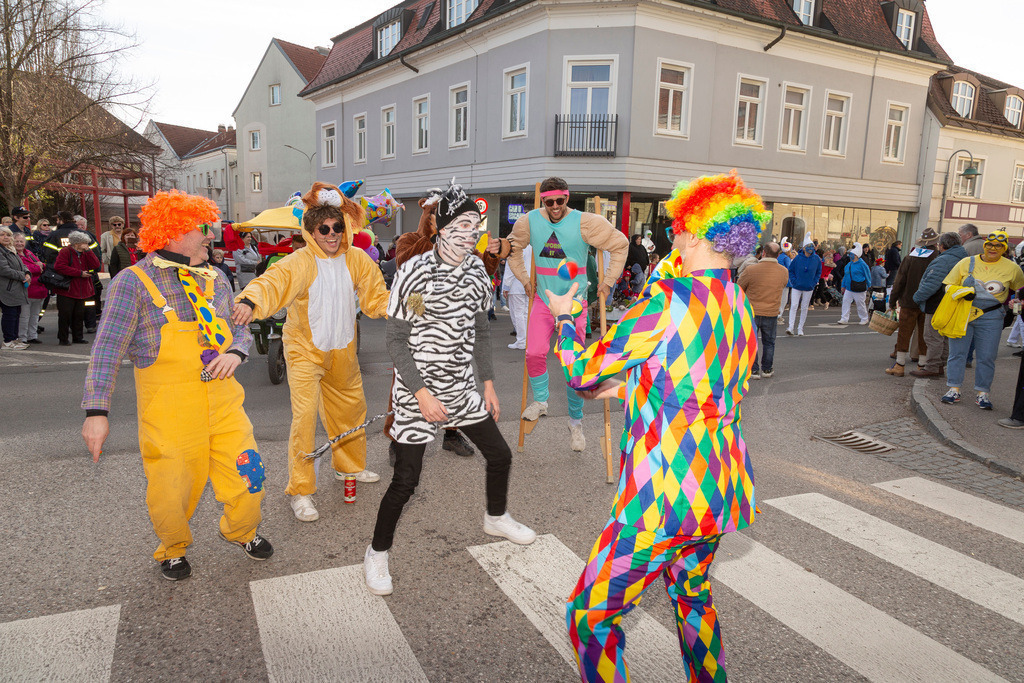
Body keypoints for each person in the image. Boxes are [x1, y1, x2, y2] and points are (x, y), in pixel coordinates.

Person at [549, 172, 764, 682]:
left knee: (590, 615)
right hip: (718, 488)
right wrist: (633, 388)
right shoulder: (740, 304)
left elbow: (582, 371)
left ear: (691, 231)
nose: (673, 234)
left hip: (663, 494)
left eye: (678, 225)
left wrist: (565, 317)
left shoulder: (668, 300)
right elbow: (709, 385)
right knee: (693, 599)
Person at [82, 190, 272, 581]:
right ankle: (172, 547)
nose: (209, 236)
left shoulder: (216, 277)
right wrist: (96, 413)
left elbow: (238, 329)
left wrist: (237, 352)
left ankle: (242, 531)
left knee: (249, 476)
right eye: (200, 229)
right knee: (171, 490)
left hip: (224, 404)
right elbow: (105, 351)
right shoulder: (130, 283)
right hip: (169, 413)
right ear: (172, 232)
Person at [364, 180, 536, 597]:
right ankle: (376, 553)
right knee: (407, 480)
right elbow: (396, 340)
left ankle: (496, 516)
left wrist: (489, 384)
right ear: (440, 229)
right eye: (461, 224)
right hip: (416, 391)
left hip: (461, 387)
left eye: (475, 224)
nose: (470, 232)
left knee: (499, 454)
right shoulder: (413, 271)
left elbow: (480, 331)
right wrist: (421, 393)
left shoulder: (478, 270)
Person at [231, 182, 389, 523]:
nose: (331, 235)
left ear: (344, 227)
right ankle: (300, 490)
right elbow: (271, 283)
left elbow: (376, 299)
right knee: (304, 420)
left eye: (337, 228)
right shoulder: (298, 261)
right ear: (312, 230)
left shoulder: (358, 259)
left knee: (351, 410)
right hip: (304, 351)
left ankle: (349, 467)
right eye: (324, 229)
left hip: (343, 350)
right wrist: (249, 299)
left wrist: (405, 307)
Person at [506, 176, 628, 452]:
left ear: (567, 198)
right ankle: (541, 401)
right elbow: (513, 250)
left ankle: (575, 422)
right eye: (549, 202)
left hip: (574, 306)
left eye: (560, 200)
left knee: (574, 367)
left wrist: (608, 282)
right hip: (543, 301)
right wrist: (525, 280)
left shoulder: (587, 223)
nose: (555, 206)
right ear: (543, 201)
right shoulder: (529, 222)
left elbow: (619, 245)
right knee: (534, 352)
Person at [384, 194, 504, 462]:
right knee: (405, 380)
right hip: (417, 319)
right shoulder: (409, 240)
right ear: (428, 216)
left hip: (453, 327)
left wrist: (492, 255)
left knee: (454, 377)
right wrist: (430, 235)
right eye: (437, 215)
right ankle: (398, 439)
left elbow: (482, 272)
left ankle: (451, 433)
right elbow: (404, 263)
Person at [939, 230, 1024, 410]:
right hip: (963, 312)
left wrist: (1015, 301)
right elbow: (948, 285)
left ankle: (983, 393)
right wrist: (961, 292)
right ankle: (953, 388)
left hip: (992, 316)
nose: (993, 249)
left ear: (1004, 249)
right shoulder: (966, 262)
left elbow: (1019, 289)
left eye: (998, 246)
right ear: (985, 245)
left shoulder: (1012, 268)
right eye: (990, 245)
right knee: (957, 353)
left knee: (987, 356)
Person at [885, 228, 939, 376]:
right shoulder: (938, 257)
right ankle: (922, 365)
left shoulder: (910, 257)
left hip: (908, 301)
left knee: (904, 333)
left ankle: (900, 365)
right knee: (924, 335)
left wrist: (892, 300)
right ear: (936, 243)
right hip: (929, 303)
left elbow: (899, 281)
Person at [912, 232, 966, 378]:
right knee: (944, 337)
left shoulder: (944, 260)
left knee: (932, 336)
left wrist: (917, 297)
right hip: (953, 302)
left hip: (937, 303)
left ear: (942, 245)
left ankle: (932, 367)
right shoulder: (964, 258)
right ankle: (940, 365)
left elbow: (931, 283)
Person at [739, 241, 790, 379]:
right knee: (769, 342)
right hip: (772, 312)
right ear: (778, 255)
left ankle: (754, 370)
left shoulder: (751, 270)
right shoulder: (783, 271)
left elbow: (739, 287)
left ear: (763, 253)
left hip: (753, 311)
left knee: (752, 341)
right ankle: (767, 369)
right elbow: (783, 284)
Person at [53, 231, 100, 345]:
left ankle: (78, 337)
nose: (86, 245)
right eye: (84, 243)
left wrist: (89, 252)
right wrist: (79, 273)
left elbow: (95, 265)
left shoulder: (85, 253)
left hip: (82, 289)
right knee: (65, 315)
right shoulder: (65, 252)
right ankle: (63, 339)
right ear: (76, 243)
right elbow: (59, 267)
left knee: (79, 314)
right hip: (67, 289)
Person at [0, 226, 30, 349]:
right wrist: (23, 275)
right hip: (5, 289)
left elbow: (22, 265)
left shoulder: (10, 250)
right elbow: (4, 270)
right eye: (2, 235)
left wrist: (28, 273)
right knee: (10, 314)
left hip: (16, 289)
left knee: (16, 314)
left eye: (8, 235)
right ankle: (8, 341)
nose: (6, 237)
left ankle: (14, 339)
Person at [72, 215, 103, 332]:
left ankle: (91, 324)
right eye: (77, 225)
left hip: (90, 277)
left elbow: (97, 255)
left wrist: (95, 271)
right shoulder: (70, 240)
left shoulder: (91, 237)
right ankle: (76, 326)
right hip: (75, 276)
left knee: (91, 301)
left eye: (81, 225)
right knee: (76, 303)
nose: (79, 227)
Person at [786, 235, 822, 336]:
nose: (810, 248)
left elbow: (819, 272)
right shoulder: (797, 258)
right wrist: (793, 281)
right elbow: (791, 270)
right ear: (804, 248)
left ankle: (800, 328)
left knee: (804, 307)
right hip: (797, 286)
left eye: (812, 246)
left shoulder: (816, 259)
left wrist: (814, 282)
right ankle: (791, 327)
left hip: (809, 287)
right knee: (793, 306)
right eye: (808, 246)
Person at [14, 233, 46, 344]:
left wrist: (40, 265)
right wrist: (38, 266)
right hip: (26, 290)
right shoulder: (13, 255)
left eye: (21, 241)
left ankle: (32, 335)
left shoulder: (29, 253)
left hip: (38, 290)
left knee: (35, 315)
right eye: (16, 241)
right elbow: (25, 269)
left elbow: (43, 265)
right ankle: (22, 337)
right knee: (24, 316)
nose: (19, 243)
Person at [502, 244, 531, 350]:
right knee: (526, 313)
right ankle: (526, 340)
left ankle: (521, 340)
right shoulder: (531, 245)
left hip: (516, 284)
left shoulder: (514, 246)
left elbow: (512, 267)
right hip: (528, 283)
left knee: (518, 313)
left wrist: (506, 286)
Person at [838, 243, 871, 325]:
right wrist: (843, 286)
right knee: (845, 302)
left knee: (860, 304)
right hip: (849, 288)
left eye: (852, 254)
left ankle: (864, 318)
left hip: (859, 287)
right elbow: (846, 276)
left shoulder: (863, 264)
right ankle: (844, 318)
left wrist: (869, 285)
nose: (850, 255)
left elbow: (868, 275)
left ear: (856, 255)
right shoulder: (849, 264)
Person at [776, 238, 793, 319]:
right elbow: (790, 268)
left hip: (778, 279)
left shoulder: (780, 257)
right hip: (785, 281)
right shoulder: (786, 258)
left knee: (778, 297)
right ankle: (779, 315)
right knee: (783, 299)